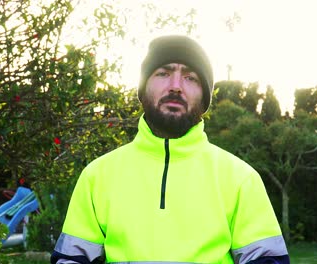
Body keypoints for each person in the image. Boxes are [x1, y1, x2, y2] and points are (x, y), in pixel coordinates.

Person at [51, 35, 289, 264]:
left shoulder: (241, 179)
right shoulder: (97, 176)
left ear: (204, 99)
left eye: (190, 78)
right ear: (143, 89)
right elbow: (71, 259)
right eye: (163, 73)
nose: (175, 86)